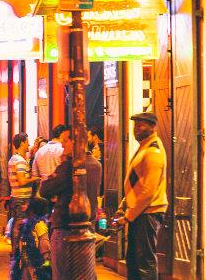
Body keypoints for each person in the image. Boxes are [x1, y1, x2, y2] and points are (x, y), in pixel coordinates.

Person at [39, 128, 102, 280]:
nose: (62, 145)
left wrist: (62, 165)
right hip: (89, 229)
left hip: (65, 228)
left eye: (65, 141)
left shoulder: (69, 166)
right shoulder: (95, 165)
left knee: (62, 274)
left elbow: (45, 189)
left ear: (76, 142)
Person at [114, 112, 167, 280]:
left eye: (141, 125)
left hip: (148, 212)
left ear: (152, 127)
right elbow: (136, 183)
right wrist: (124, 205)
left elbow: (148, 190)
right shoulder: (145, 147)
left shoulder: (153, 151)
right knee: (134, 261)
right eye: (135, 125)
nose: (136, 128)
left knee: (144, 262)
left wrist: (128, 216)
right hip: (140, 212)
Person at [7, 133, 39, 252]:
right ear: (22, 143)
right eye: (27, 142)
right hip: (21, 197)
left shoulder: (14, 159)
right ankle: (17, 252)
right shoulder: (19, 161)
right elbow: (22, 181)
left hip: (16, 196)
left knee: (17, 224)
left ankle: (16, 251)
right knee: (19, 224)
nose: (28, 144)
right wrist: (35, 178)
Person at [10, 197, 51, 280]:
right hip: (26, 259)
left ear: (33, 208)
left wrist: (46, 263)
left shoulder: (39, 224)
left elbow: (44, 243)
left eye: (27, 204)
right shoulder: (26, 223)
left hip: (35, 260)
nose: (23, 206)